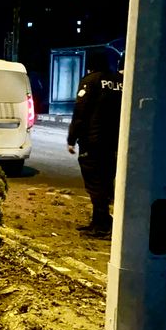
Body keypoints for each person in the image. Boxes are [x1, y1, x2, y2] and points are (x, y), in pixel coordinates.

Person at [67, 52, 124, 237]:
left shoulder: (90, 81)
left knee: (95, 183)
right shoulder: (120, 81)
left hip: (93, 142)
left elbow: (80, 112)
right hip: (116, 142)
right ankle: (100, 221)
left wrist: (71, 139)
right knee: (106, 181)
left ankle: (101, 226)